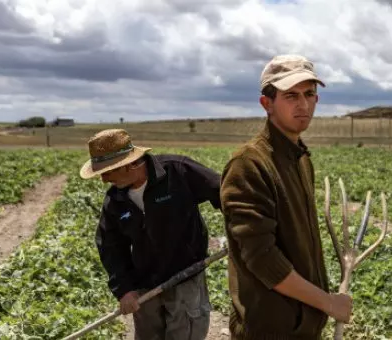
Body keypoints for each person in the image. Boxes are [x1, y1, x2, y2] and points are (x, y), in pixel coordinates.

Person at [219, 54, 353, 339]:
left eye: (309, 94)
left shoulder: (299, 158)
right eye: (291, 95)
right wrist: (328, 302)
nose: (303, 104)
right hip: (271, 329)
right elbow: (264, 261)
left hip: (302, 325)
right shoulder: (249, 165)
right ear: (267, 104)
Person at [79, 128, 222, 340]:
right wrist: (124, 289)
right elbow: (110, 246)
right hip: (144, 283)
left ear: (129, 164)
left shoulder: (178, 172)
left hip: (185, 274)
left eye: (107, 172)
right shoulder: (115, 200)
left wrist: (241, 229)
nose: (104, 179)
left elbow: (226, 192)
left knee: (185, 334)